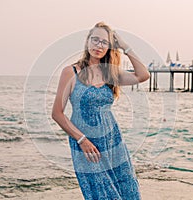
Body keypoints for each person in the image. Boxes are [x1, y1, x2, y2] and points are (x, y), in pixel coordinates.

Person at [52, 22, 150, 200]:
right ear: (87, 42)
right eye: (95, 40)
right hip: (86, 146)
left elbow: (143, 75)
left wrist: (125, 46)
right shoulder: (71, 72)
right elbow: (57, 113)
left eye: (104, 42)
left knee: (128, 192)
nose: (98, 45)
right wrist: (82, 140)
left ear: (110, 47)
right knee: (101, 194)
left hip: (114, 142)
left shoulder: (110, 74)